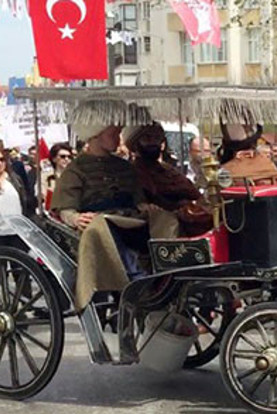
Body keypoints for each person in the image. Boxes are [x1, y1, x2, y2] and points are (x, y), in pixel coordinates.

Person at [52, 115, 178, 310]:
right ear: (95, 134)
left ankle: (170, 268)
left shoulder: (124, 166)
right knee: (102, 227)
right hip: (99, 225)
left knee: (165, 218)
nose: (119, 139)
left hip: (130, 220)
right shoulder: (76, 170)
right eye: (114, 133)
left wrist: (146, 207)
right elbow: (64, 208)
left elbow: (138, 200)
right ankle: (134, 276)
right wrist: (75, 217)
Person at [125, 123, 209, 236]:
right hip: (165, 227)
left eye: (157, 138)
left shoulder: (168, 169)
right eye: (147, 138)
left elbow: (194, 193)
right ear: (136, 143)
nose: (153, 143)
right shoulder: (133, 172)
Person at [0, 148, 30, 240]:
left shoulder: (15, 179)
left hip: (18, 234)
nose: (0, 163)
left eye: (1, 160)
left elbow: (24, 202)